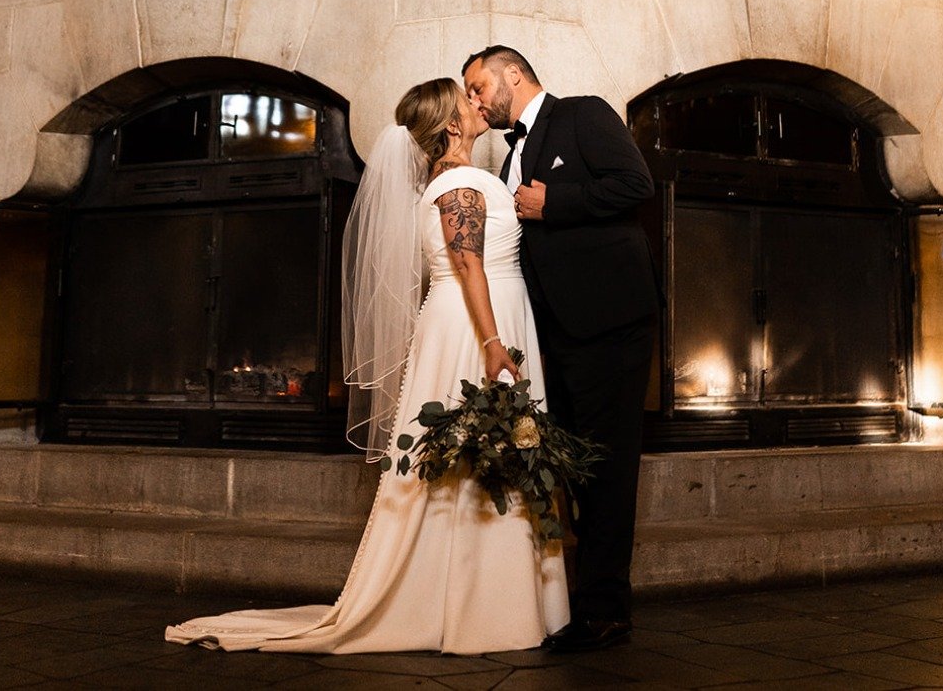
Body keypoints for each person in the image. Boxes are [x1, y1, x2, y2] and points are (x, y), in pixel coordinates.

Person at [165, 77, 569, 655]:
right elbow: (470, 265)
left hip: (478, 316)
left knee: (485, 455)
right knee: (478, 455)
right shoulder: (458, 182)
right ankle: (482, 607)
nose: (479, 104)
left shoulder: (454, 179)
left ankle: (482, 598)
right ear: (452, 126)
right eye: (468, 101)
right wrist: (492, 342)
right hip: (475, 325)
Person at [461, 46, 658, 653]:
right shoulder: (507, 158)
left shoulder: (583, 114)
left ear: (511, 75)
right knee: (572, 468)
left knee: (608, 465)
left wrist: (557, 204)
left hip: (611, 325)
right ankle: (574, 602)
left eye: (477, 86)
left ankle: (606, 612)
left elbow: (637, 184)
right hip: (554, 336)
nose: (473, 100)